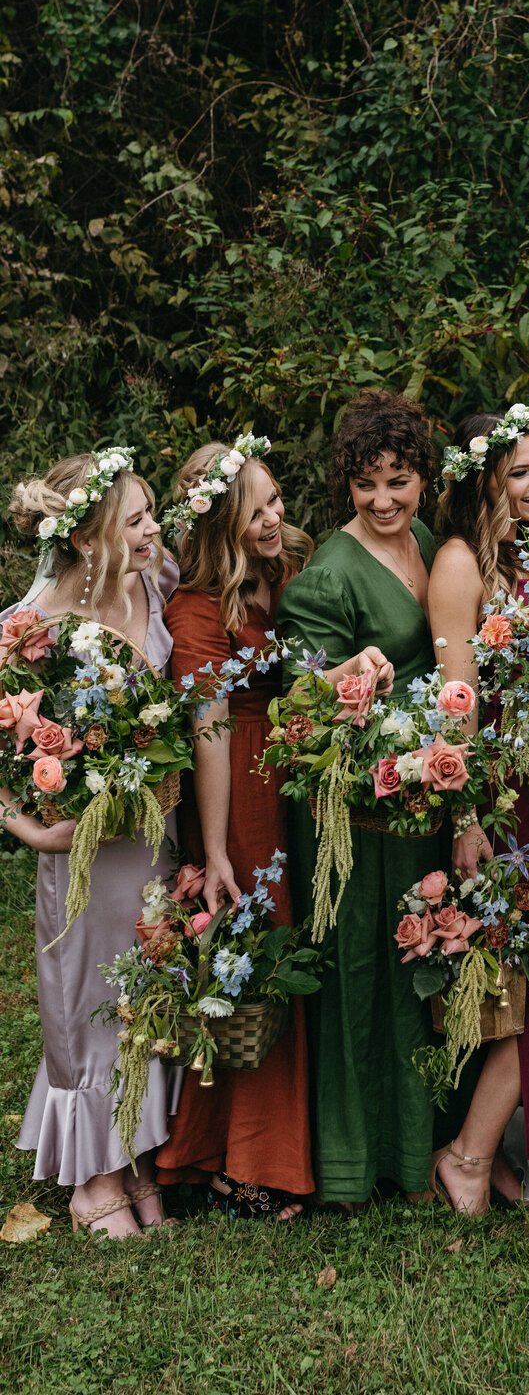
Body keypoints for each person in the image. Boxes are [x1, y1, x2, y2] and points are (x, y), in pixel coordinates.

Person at [1, 451, 179, 1237]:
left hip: (151, 832)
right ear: (83, 539)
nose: (152, 531)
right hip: (80, 851)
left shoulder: (155, 581)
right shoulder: (33, 623)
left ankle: (137, 1154)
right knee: (85, 992)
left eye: (150, 513)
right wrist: (31, 825)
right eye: (134, 520)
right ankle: (92, 1175)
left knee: (142, 982)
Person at [276, 390, 446, 1205]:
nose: (383, 501)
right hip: (354, 808)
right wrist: (353, 676)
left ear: (422, 483)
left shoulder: (425, 545)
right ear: (346, 484)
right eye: (366, 484)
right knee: (363, 967)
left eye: (399, 481)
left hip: (424, 793)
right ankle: (358, 1161)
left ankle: (423, 1148)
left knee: (424, 955)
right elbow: (300, 702)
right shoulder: (326, 577)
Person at [154, 436, 315, 1218]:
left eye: (277, 500)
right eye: (258, 510)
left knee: (287, 953)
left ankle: (271, 1147)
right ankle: (239, 1160)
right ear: (221, 519)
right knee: (255, 954)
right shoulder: (195, 607)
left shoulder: (283, 576)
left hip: (292, 776)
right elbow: (208, 730)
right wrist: (214, 848)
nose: (275, 517)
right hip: (237, 789)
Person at [425, 404, 529, 1214]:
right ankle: (468, 1155)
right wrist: (467, 816)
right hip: (504, 795)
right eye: (521, 471)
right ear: (484, 480)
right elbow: (458, 700)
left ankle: (494, 1151)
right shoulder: (459, 564)